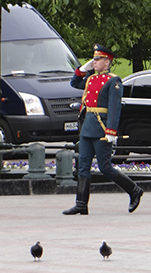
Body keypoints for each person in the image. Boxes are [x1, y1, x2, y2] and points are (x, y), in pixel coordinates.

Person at [62, 44, 144, 215]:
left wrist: (111, 131)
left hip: (101, 127)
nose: (95, 62)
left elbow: (115, 107)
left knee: (105, 166)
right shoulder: (91, 79)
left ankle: (134, 190)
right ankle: (81, 203)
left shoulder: (113, 80)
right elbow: (75, 82)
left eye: (98, 59)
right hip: (87, 127)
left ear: (107, 62)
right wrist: (83, 69)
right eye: (94, 59)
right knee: (83, 166)